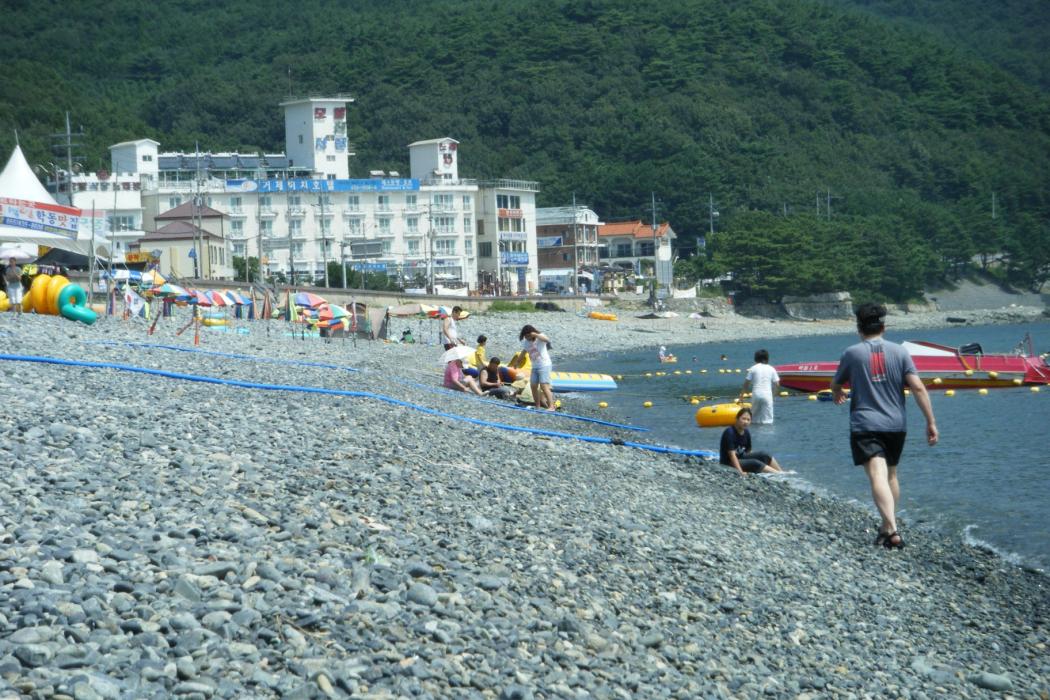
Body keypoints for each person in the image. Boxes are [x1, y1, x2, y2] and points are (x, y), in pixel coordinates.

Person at [831, 302, 938, 550]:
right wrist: (931, 422)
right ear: (884, 327)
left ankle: (893, 529)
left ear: (859, 328)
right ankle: (886, 527)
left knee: (877, 475)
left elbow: (836, 383)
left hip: (865, 423)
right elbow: (918, 387)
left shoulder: (851, 353)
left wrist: (838, 392)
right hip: (896, 424)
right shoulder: (900, 353)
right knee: (891, 474)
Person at [719, 407, 784, 476]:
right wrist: (740, 472)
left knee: (764, 455)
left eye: (748, 420)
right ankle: (779, 475)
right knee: (754, 463)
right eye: (743, 419)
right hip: (728, 463)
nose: (746, 422)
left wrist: (755, 458)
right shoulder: (729, 432)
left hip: (740, 458)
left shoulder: (746, 432)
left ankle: (781, 472)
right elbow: (732, 455)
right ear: (737, 419)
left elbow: (748, 451)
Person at [520, 324, 555, 410]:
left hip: (544, 365)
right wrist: (517, 362)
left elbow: (547, 340)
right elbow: (524, 352)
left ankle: (551, 406)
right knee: (533, 385)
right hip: (535, 366)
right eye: (525, 336)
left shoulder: (540, 337)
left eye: (528, 335)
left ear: (531, 333)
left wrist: (536, 335)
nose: (526, 337)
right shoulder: (526, 342)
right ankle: (537, 406)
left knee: (544, 385)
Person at [741, 349, 780, 424]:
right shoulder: (771, 369)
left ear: (755, 359)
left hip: (756, 394)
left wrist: (741, 397)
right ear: (767, 358)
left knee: (754, 419)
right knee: (768, 421)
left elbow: (746, 384)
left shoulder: (753, 368)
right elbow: (777, 385)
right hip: (767, 395)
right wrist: (773, 396)